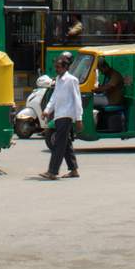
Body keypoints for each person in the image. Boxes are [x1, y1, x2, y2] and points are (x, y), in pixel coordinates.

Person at [40, 52, 81, 180]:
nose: (56, 69)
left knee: (58, 144)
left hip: (66, 115)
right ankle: (73, 170)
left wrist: (79, 119)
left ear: (65, 68)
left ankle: (52, 171)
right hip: (58, 115)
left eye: (58, 67)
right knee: (66, 143)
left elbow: (77, 100)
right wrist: (47, 110)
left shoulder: (72, 80)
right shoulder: (58, 80)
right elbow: (54, 97)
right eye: (56, 67)